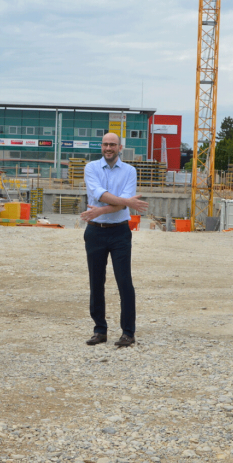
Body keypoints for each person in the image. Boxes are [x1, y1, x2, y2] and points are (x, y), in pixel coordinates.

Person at [80, 133, 149, 348]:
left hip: (120, 232)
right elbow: (100, 194)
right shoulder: (91, 168)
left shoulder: (130, 171)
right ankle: (100, 330)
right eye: (105, 144)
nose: (108, 147)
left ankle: (128, 332)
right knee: (96, 282)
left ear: (120, 147)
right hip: (95, 232)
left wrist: (102, 209)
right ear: (101, 146)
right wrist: (125, 202)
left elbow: (120, 204)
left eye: (112, 144)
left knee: (124, 282)